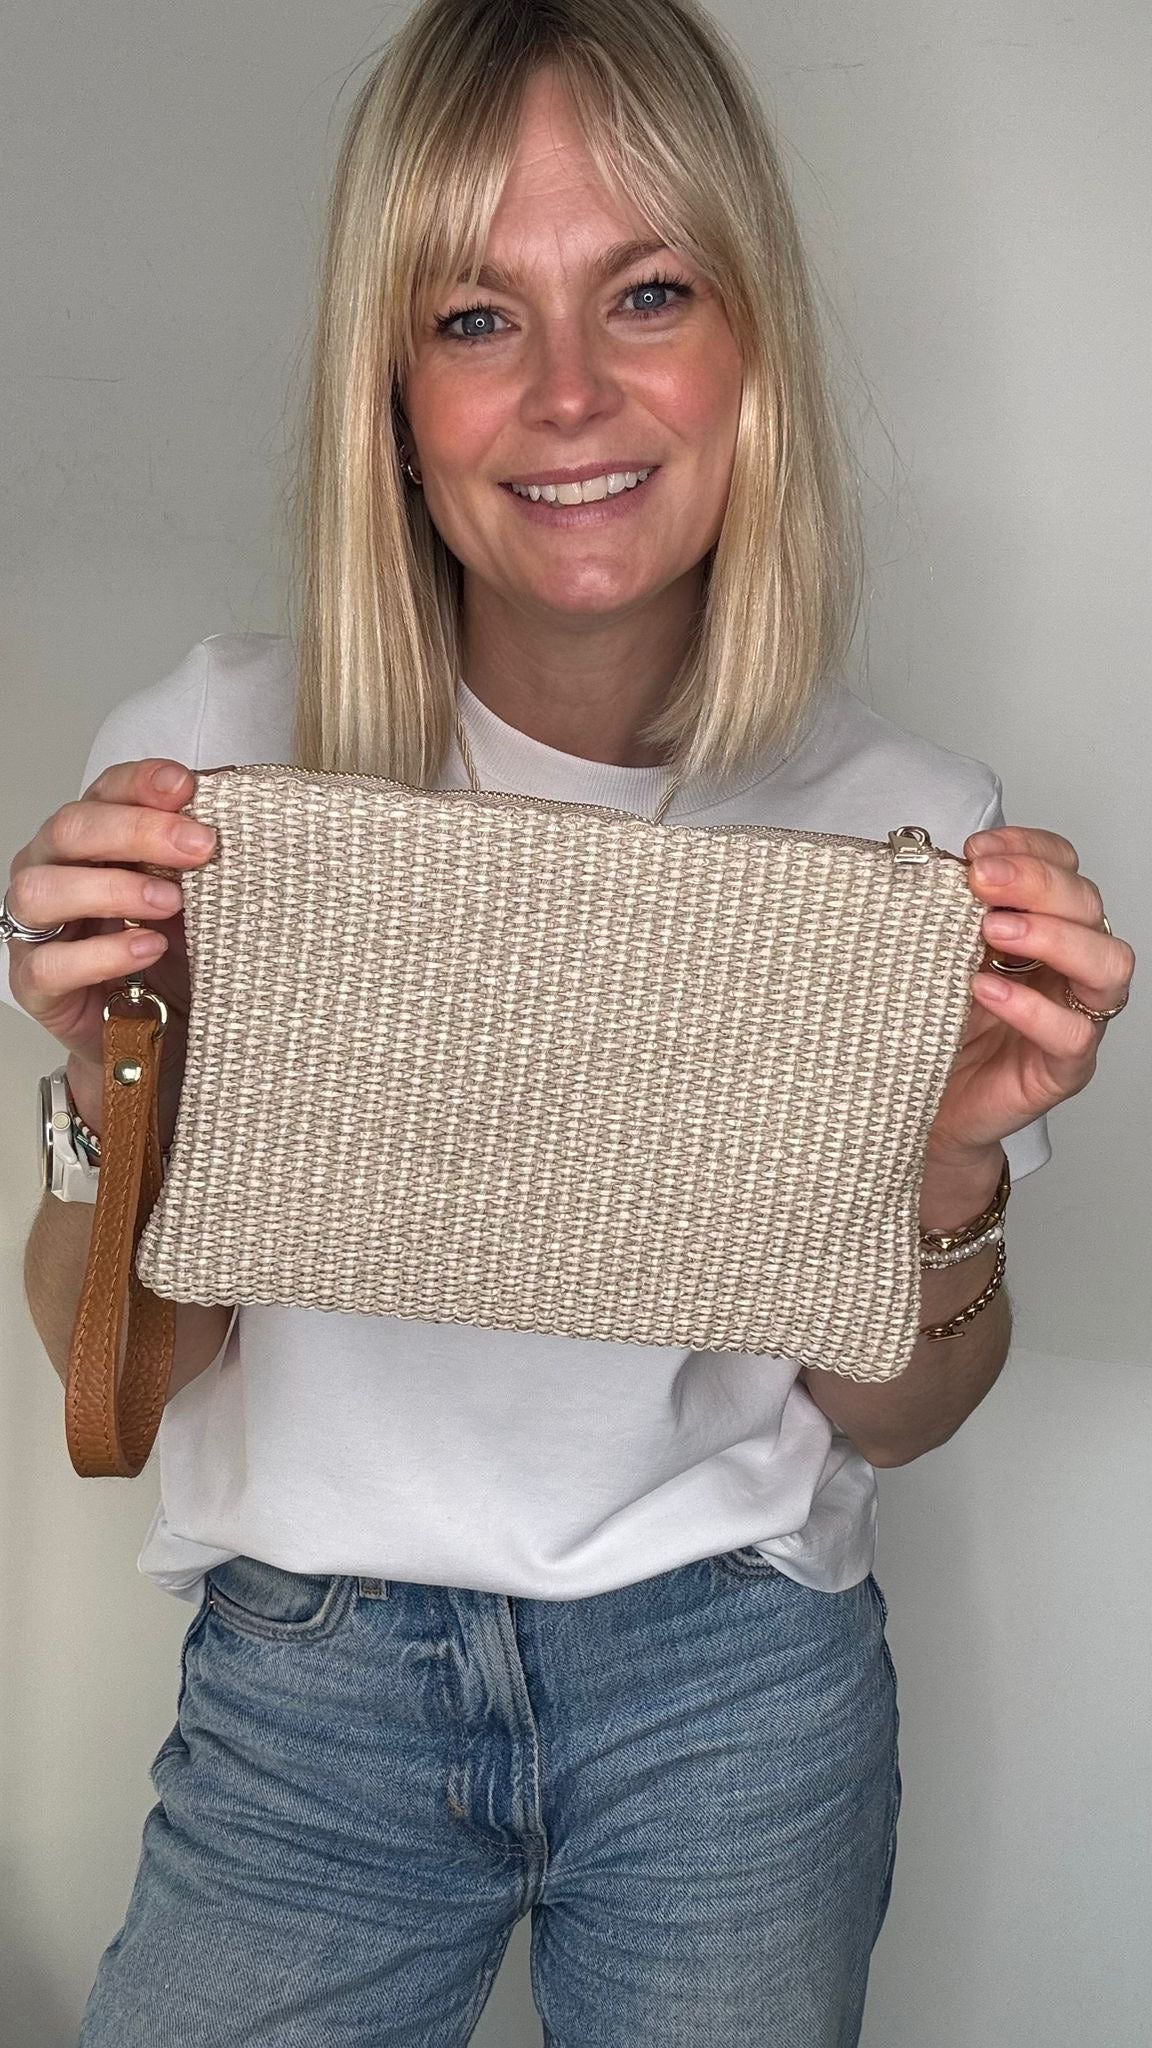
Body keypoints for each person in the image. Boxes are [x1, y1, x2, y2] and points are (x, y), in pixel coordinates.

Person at [1, 1, 1134, 2041]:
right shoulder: (206, 776)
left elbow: (894, 1408)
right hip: (307, 1690)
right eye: (473, 318)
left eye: (647, 292)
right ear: (390, 395)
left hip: (733, 1692)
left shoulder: (907, 833)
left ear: (750, 345)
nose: (571, 396)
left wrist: (953, 1159)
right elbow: (132, 1372)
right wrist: (110, 1083)